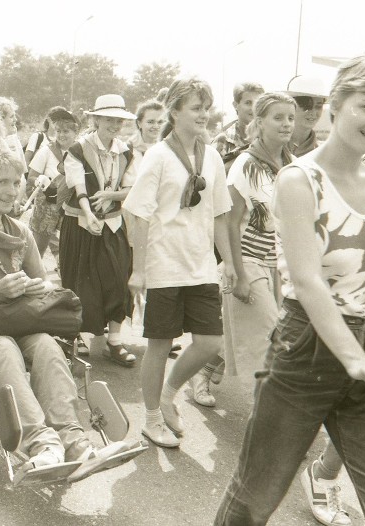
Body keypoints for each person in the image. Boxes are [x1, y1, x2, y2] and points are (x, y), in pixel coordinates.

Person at [214, 52, 365, 526]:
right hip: (308, 348)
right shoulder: (299, 179)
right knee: (255, 497)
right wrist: (351, 356)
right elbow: (307, 278)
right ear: (336, 106)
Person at [0, 139, 139, 482]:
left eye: (16, 181)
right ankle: (41, 444)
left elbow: (44, 285)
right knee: (5, 350)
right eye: (2, 182)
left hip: (22, 319)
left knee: (47, 347)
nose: (12, 190)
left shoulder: (21, 232)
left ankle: (75, 443)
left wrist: (42, 287)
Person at [123, 78, 235, 448]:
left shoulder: (213, 156)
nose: (204, 115)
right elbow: (137, 213)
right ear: (174, 112)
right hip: (163, 264)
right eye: (196, 108)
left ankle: (169, 394)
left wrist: (228, 262)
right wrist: (139, 269)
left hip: (201, 264)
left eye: (206, 107)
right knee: (160, 344)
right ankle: (151, 418)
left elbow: (220, 213)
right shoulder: (158, 155)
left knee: (209, 342)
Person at [220, 92, 296, 394]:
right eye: (278, 117)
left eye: (290, 117)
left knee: (268, 335)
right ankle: (266, 417)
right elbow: (231, 221)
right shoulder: (246, 164)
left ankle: (206, 366)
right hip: (249, 261)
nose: (287, 124)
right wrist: (237, 273)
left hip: (280, 266)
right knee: (270, 340)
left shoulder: (293, 164)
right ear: (260, 122)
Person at [60, 95, 138, 366]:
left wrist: (111, 195)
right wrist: (89, 211)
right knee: (80, 281)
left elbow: (132, 189)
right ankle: (76, 336)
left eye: (118, 120)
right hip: (81, 223)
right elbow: (77, 185)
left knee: (119, 280)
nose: (114, 125)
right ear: (95, 120)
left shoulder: (127, 152)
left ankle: (114, 341)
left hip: (113, 223)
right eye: (108, 119)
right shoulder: (78, 150)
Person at [123, 100, 166, 335]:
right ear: (139, 123)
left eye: (160, 122)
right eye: (150, 121)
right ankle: (135, 325)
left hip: (160, 217)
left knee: (157, 269)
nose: (155, 126)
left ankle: (154, 327)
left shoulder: (167, 149)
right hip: (133, 217)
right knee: (136, 267)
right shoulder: (128, 150)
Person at [26, 107, 77, 268]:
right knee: (36, 249)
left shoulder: (81, 151)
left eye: (66, 131)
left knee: (70, 248)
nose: (61, 135)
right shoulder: (46, 151)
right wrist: (39, 181)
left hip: (69, 205)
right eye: (58, 131)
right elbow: (31, 177)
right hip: (46, 204)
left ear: (75, 132)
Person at [212, 82, 265, 170]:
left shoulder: (270, 139)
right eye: (248, 103)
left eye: (257, 103)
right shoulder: (223, 140)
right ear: (236, 105)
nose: (253, 108)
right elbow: (212, 177)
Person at [286, 75, 329, 157]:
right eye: (306, 105)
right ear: (291, 105)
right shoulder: (272, 145)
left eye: (318, 106)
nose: (313, 112)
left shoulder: (325, 154)